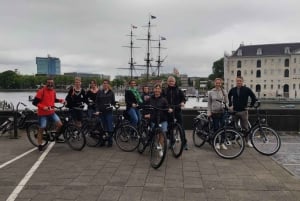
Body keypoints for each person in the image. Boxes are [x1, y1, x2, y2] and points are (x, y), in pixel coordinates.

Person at [32, 77, 65, 152]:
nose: (50, 84)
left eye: (51, 83)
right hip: (42, 114)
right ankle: (40, 145)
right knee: (42, 128)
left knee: (60, 125)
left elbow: (54, 100)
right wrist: (44, 107)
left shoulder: (53, 91)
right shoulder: (41, 91)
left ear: (53, 84)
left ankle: (56, 137)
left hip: (51, 112)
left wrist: (61, 100)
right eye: (48, 83)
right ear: (46, 83)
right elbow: (34, 102)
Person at [228, 76, 257, 147]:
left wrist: (250, 106)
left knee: (245, 127)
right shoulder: (233, 89)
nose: (239, 82)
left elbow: (253, 97)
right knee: (233, 126)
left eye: (240, 81)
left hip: (243, 111)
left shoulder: (246, 89)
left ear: (242, 81)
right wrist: (230, 104)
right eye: (237, 81)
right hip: (234, 111)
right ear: (236, 81)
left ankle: (247, 141)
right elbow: (229, 96)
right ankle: (234, 139)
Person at [144, 83, 171, 156]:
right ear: (153, 89)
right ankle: (156, 143)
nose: (157, 90)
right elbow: (145, 108)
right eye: (156, 88)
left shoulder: (164, 100)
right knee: (156, 134)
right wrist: (146, 114)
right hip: (153, 119)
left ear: (161, 90)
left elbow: (167, 108)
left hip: (162, 119)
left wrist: (169, 110)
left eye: (159, 89)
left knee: (162, 134)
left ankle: (160, 147)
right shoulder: (149, 99)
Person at [162, 76, 188, 150]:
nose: (171, 82)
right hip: (169, 111)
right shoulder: (165, 91)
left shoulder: (178, 90)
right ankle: (171, 142)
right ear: (167, 82)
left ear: (175, 82)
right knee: (170, 127)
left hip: (177, 110)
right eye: (169, 81)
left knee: (181, 127)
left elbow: (183, 99)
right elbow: (162, 100)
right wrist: (166, 107)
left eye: (172, 81)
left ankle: (184, 143)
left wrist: (182, 103)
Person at [207, 78, 229, 150]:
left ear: (221, 84)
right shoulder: (211, 92)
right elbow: (209, 103)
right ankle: (216, 142)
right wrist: (209, 112)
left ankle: (222, 143)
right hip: (214, 112)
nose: (218, 84)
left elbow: (227, 101)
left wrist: (226, 106)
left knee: (223, 128)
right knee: (216, 128)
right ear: (214, 83)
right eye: (217, 83)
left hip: (223, 112)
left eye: (219, 83)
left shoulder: (224, 91)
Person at [94, 80, 116, 147]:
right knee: (102, 127)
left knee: (110, 127)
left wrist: (115, 105)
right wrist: (97, 110)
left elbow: (113, 102)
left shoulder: (111, 92)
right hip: (101, 112)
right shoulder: (99, 92)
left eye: (106, 83)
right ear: (102, 84)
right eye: (104, 83)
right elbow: (96, 102)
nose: (105, 84)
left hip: (109, 112)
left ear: (108, 85)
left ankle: (110, 141)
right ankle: (102, 141)